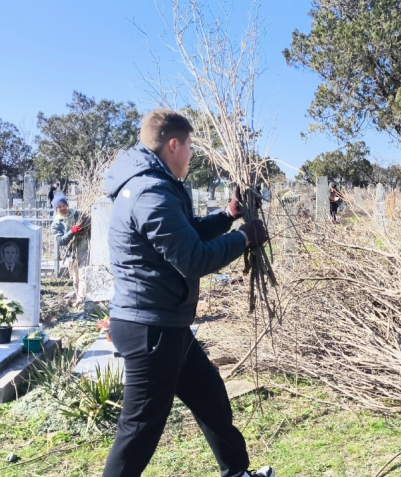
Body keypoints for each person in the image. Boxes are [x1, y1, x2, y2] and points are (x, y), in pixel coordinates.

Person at [102, 108, 273, 477]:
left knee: (211, 398)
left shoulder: (156, 184)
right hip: (150, 328)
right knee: (138, 433)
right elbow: (193, 258)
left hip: (167, 323)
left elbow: (187, 232)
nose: (193, 154)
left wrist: (227, 216)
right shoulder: (149, 192)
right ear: (173, 144)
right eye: (190, 146)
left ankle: (237, 473)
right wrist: (244, 238)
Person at [50, 195, 88, 303]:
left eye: (63, 205)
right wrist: (72, 232)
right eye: (59, 207)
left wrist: (83, 230)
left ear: (67, 205)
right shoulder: (56, 224)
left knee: (83, 274)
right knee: (76, 277)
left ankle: (84, 298)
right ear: (56, 209)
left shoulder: (78, 215)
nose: (62, 208)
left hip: (83, 247)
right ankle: (78, 296)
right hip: (71, 253)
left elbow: (88, 225)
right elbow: (61, 241)